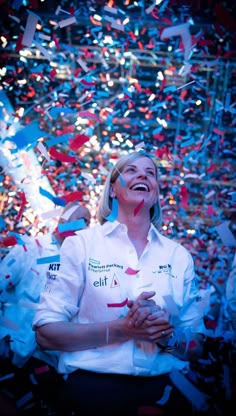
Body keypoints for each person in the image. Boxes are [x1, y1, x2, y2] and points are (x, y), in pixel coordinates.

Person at [33, 151, 207, 416]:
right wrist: (124, 330)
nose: (142, 175)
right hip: (91, 395)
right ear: (112, 189)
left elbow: (196, 346)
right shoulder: (81, 245)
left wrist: (163, 335)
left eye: (150, 173)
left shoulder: (178, 256)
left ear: (156, 192)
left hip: (162, 396)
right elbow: (45, 335)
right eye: (131, 170)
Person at [0, 201, 91, 368]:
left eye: (88, 223)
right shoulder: (31, 248)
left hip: (46, 362)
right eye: (81, 220)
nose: (84, 227)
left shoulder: (79, 264)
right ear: (62, 220)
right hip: (9, 349)